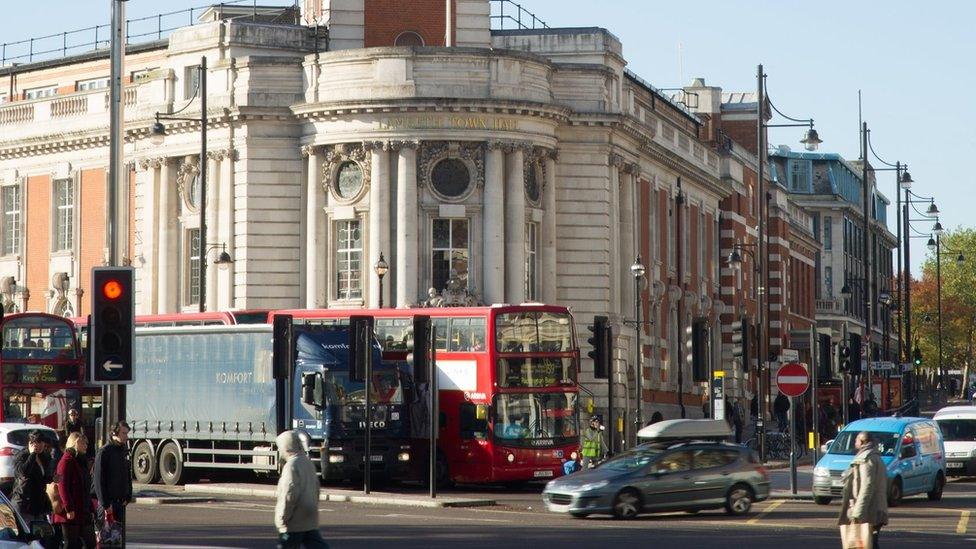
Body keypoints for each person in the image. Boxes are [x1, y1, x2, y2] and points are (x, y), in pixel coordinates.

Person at [275, 430, 328, 548]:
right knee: (317, 545)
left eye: (280, 447)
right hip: (310, 517)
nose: (280, 451)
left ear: (286, 447)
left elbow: (289, 494)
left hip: (294, 521)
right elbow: (316, 487)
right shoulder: (307, 462)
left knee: (285, 543)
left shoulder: (291, 466)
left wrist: (282, 518)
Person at [838, 431, 888, 548]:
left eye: (856, 440)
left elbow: (867, 486)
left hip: (870, 510)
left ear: (862, 442)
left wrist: (858, 513)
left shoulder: (866, 459)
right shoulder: (874, 457)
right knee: (870, 542)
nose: (855, 442)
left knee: (868, 543)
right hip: (875, 508)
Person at [54, 432, 96, 549]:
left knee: (90, 543)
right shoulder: (66, 460)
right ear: (75, 443)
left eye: (86, 443)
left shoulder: (81, 460)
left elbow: (85, 487)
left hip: (83, 510)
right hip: (71, 512)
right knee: (71, 544)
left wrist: (91, 507)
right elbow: (62, 485)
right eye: (83, 443)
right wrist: (69, 508)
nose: (86, 446)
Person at [94, 421, 133, 539]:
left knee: (117, 539)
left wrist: (128, 495)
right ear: (114, 433)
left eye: (127, 433)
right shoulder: (104, 452)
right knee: (105, 539)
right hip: (108, 504)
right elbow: (98, 480)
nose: (126, 436)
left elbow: (127, 475)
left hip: (120, 503)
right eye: (124, 433)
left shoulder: (123, 451)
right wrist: (105, 504)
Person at [10, 431, 52, 524]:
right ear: (31, 443)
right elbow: (24, 472)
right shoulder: (22, 456)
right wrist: (32, 454)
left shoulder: (42, 457)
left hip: (38, 503)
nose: (41, 446)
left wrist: (52, 478)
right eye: (38, 443)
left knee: (39, 532)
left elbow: (41, 478)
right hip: (25, 503)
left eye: (42, 443)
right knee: (27, 533)